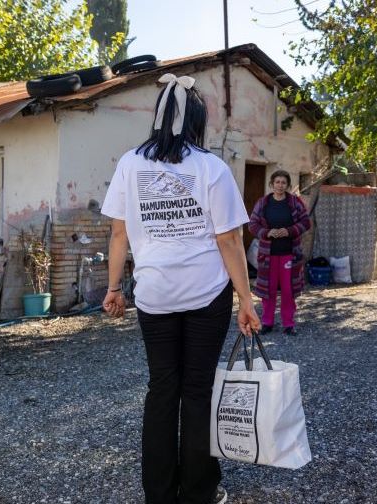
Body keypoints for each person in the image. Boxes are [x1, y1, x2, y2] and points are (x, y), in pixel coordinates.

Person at [101, 73, 260, 504]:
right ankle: (198, 493)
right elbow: (229, 240)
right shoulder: (211, 167)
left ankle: (158, 494)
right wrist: (246, 299)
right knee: (197, 392)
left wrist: (114, 287)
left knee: (161, 390)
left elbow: (119, 234)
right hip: (206, 296)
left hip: (153, 297)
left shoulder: (130, 164)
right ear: (196, 120)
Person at [248, 170, 311, 335]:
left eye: (283, 182)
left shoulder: (295, 203)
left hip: (290, 254)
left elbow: (306, 222)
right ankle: (267, 322)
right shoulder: (263, 203)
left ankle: (288, 324)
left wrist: (289, 231)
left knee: (288, 289)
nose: (280, 185)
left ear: (288, 185)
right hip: (267, 256)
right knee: (268, 290)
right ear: (272, 184)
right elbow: (252, 225)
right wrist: (267, 233)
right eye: (277, 182)